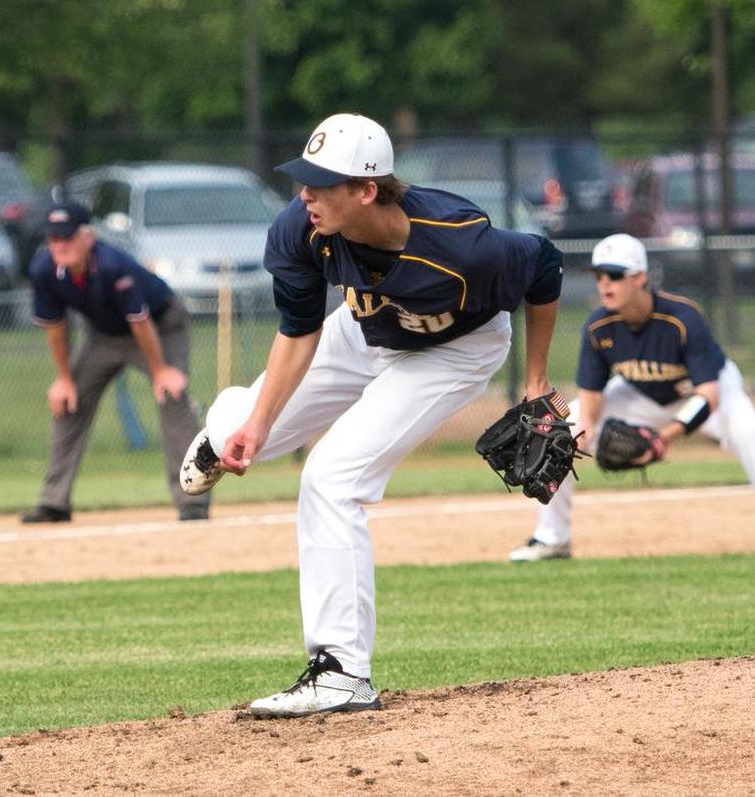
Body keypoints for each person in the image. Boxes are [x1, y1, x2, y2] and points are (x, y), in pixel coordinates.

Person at [178, 113, 566, 717]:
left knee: (331, 477)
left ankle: (341, 674)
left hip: (455, 350)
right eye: (302, 179)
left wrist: (537, 381)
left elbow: (544, 264)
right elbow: (298, 333)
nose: (304, 193)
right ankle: (222, 428)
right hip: (365, 330)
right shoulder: (301, 230)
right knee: (242, 432)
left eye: (321, 183)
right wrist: (255, 425)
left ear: (366, 190)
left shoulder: (462, 241)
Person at [509, 233, 755, 562]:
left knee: (749, 431)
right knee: (563, 432)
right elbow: (592, 397)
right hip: (642, 396)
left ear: (641, 277)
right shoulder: (599, 326)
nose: (604, 283)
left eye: (615, 274)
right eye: (599, 275)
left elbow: (709, 394)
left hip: (705, 392)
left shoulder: (682, 319)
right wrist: (584, 433)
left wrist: (663, 437)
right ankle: (552, 538)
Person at [21, 201, 210, 524]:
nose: (60, 245)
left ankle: (192, 501)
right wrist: (64, 379)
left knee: (172, 396)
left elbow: (141, 321)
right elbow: (56, 326)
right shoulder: (44, 270)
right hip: (103, 336)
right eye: (54, 239)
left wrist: (161, 371)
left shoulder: (113, 266)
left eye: (67, 237)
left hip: (161, 328)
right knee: (69, 402)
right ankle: (54, 502)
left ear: (88, 237)